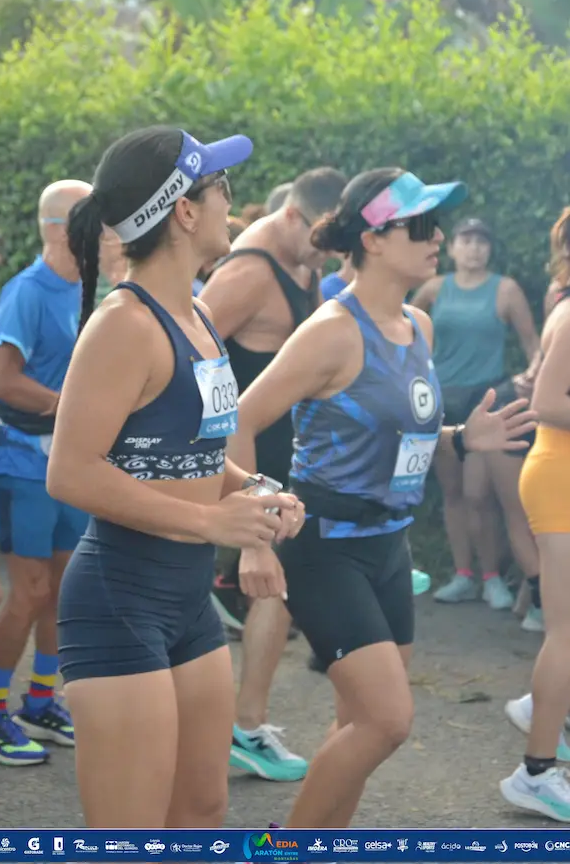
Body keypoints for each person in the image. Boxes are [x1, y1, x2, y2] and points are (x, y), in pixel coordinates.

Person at [232, 167, 537, 828]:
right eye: (421, 227)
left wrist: (459, 438)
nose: (439, 239)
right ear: (372, 238)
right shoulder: (332, 330)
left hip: (387, 548)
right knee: (389, 721)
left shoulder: (418, 326)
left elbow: (402, 436)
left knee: (358, 726)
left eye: (437, 225)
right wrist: (256, 527)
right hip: (326, 548)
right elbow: (240, 420)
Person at [46, 125, 303, 828]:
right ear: (184, 211)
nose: (233, 202)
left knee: (202, 812)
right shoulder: (124, 325)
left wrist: (253, 491)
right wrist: (210, 523)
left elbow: (188, 454)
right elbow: (68, 473)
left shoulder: (198, 313)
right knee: (130, 834)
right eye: (220, 188)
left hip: (185, 601)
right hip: (120, 599)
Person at [203, 165, 347, 781]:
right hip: (241, 454)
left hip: (281, 453)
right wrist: (247, 485)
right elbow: (185, 354)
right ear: (292, 216)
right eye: (319, 238)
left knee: (278, 595)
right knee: (271, 590)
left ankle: (242, 723)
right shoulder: (248, 272)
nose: (324, 254)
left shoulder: (301, 263)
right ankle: (241, 726)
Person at [0, 180, 95, 766]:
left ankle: (40, 703)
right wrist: (73, 403)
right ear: (61, 228)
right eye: (95, 216)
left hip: (68, 460)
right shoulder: (27, 291)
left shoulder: (91, 289)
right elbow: (3, 382)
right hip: (18, 456)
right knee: (32, 590)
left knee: (65, 589)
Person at [412, 218, 540, 610]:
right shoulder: (434, 289)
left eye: (482, 241)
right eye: (466, 240)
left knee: (479, 493)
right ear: (452, 248)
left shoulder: (506, 290)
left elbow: (533, 344)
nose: (474, 248)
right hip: (441, 400)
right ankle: (463, 575)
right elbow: (401, 332)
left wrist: (534, 377)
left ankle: (492, 577)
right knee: (452, 493)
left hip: (486, 402)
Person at [500, 208, 570, 821]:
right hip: (558, 476)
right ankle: (537, 772)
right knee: (566, 632)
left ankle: (545, 707)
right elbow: (549, 402)